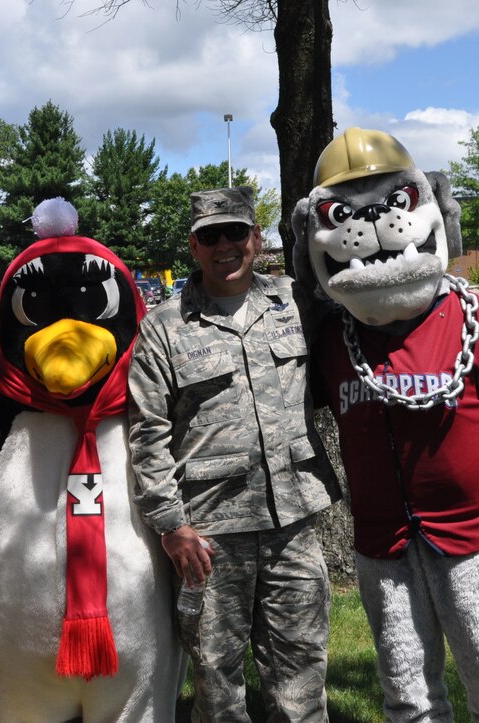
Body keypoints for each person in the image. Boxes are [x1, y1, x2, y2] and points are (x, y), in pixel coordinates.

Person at [127, 185, 342, 721]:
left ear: (257, 238)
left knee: (302, 672)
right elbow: (147, 433)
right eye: (210, 236)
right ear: (194, 247)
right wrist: (171, 525)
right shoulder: (164, 327)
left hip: (293, 519)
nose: (225, 245)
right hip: (208, 532)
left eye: (235, 233)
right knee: (217, 681)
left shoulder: (295, 303)